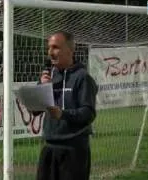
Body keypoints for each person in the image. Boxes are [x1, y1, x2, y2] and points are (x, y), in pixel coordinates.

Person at [32, 30, 98, 180]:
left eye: (55, 47)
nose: (50, 52)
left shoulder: (83, 78)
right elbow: (35, 111)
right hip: (49, 146)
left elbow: (88, 113)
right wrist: (42, 88)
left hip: (73, 150)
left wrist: (63, 114)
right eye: (49, 48)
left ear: (70, 50)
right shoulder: (48, 76)